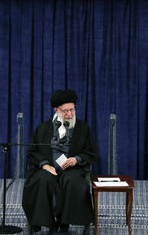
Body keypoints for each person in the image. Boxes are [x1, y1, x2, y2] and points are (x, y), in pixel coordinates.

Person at [22, 89, 98, 234]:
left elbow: (91, 152)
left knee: (74, 182)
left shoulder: (82, 128)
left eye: (72, 109)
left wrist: (77, 159)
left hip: (72, 170)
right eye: (65, 111)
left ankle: (64, 223)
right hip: (48, 168)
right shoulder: (43, 128)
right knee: (43, 181)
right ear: (56, 110)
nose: (70, 114)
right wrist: (44, 164)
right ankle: (49, 224)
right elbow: (33, 151)